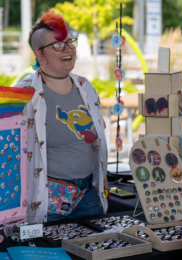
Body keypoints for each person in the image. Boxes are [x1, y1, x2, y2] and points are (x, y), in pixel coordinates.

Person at [15, 11, 108, 223]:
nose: (68, 49)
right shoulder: (24, 94)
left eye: (70, 42)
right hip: (48, 199)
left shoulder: (86, 86)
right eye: (58, 45)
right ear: (40, 55)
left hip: (88, 195)